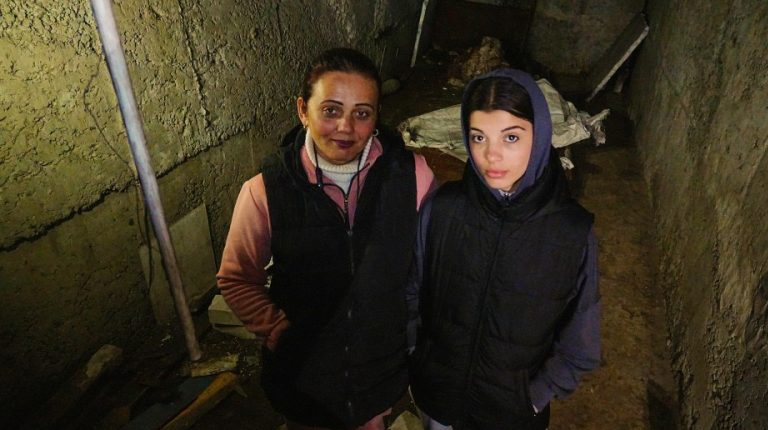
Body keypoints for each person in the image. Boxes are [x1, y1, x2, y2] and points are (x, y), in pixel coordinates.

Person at [216, 48, 436, 430]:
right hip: (304, 374)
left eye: (362, 113)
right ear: (303, 110)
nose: (346, 128)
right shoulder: (265, 190)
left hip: (377, 371)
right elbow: (236, 277)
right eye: (331, 110)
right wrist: (274, 326)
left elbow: (431, 260)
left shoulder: (412, 177)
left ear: (376, 116)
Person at [407, 68, 601, 430]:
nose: (490, 155)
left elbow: (581, 346)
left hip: (510, 416)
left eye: (511, 137)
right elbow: (411, 293)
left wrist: (533, 396)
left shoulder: (572, 233)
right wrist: (417, 359)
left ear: (540, 137)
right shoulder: (443, 208)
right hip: (438, 403)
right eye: (478, 137)